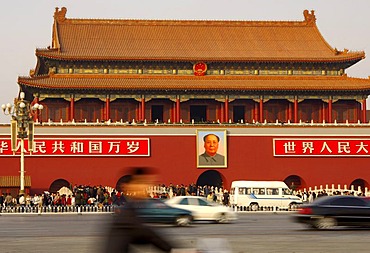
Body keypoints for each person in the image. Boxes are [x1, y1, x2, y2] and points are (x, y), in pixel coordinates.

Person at [104, 167, 175, 253]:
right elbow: (147, 234)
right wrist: (171, 249)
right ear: (130, 186)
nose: (147, 187)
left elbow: (142, 237)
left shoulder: (131, 208)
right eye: (143, 183)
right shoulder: (127, 215)